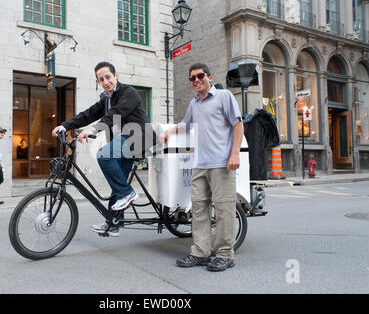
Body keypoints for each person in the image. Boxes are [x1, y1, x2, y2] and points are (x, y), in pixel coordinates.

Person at [52, 61, 154, 237]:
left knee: (104, 156)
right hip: (123, 142)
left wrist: (93, 129)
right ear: (98, 82)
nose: (105, 81)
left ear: (116, 76)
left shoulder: (128, 93)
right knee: (118, 182)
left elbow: (116, 113)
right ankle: (113, 223)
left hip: (138, 137)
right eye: (101, 79)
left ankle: (128, 194)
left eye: (108, 77)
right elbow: (88, 114)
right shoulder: (105, 98)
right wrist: (65, 125)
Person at [160, 63, 243, 272]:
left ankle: (225, 254)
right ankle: (200, 252)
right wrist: (170, 131)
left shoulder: (224, 97)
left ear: (209, 77)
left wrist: (235, 153)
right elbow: (185, 125)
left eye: (200, 76)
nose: (196, 80)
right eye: (192, 78)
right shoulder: (194, 104)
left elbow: (238, 124)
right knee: (198, 210)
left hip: (221, 164)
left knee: (224, 210)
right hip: (200, 165)